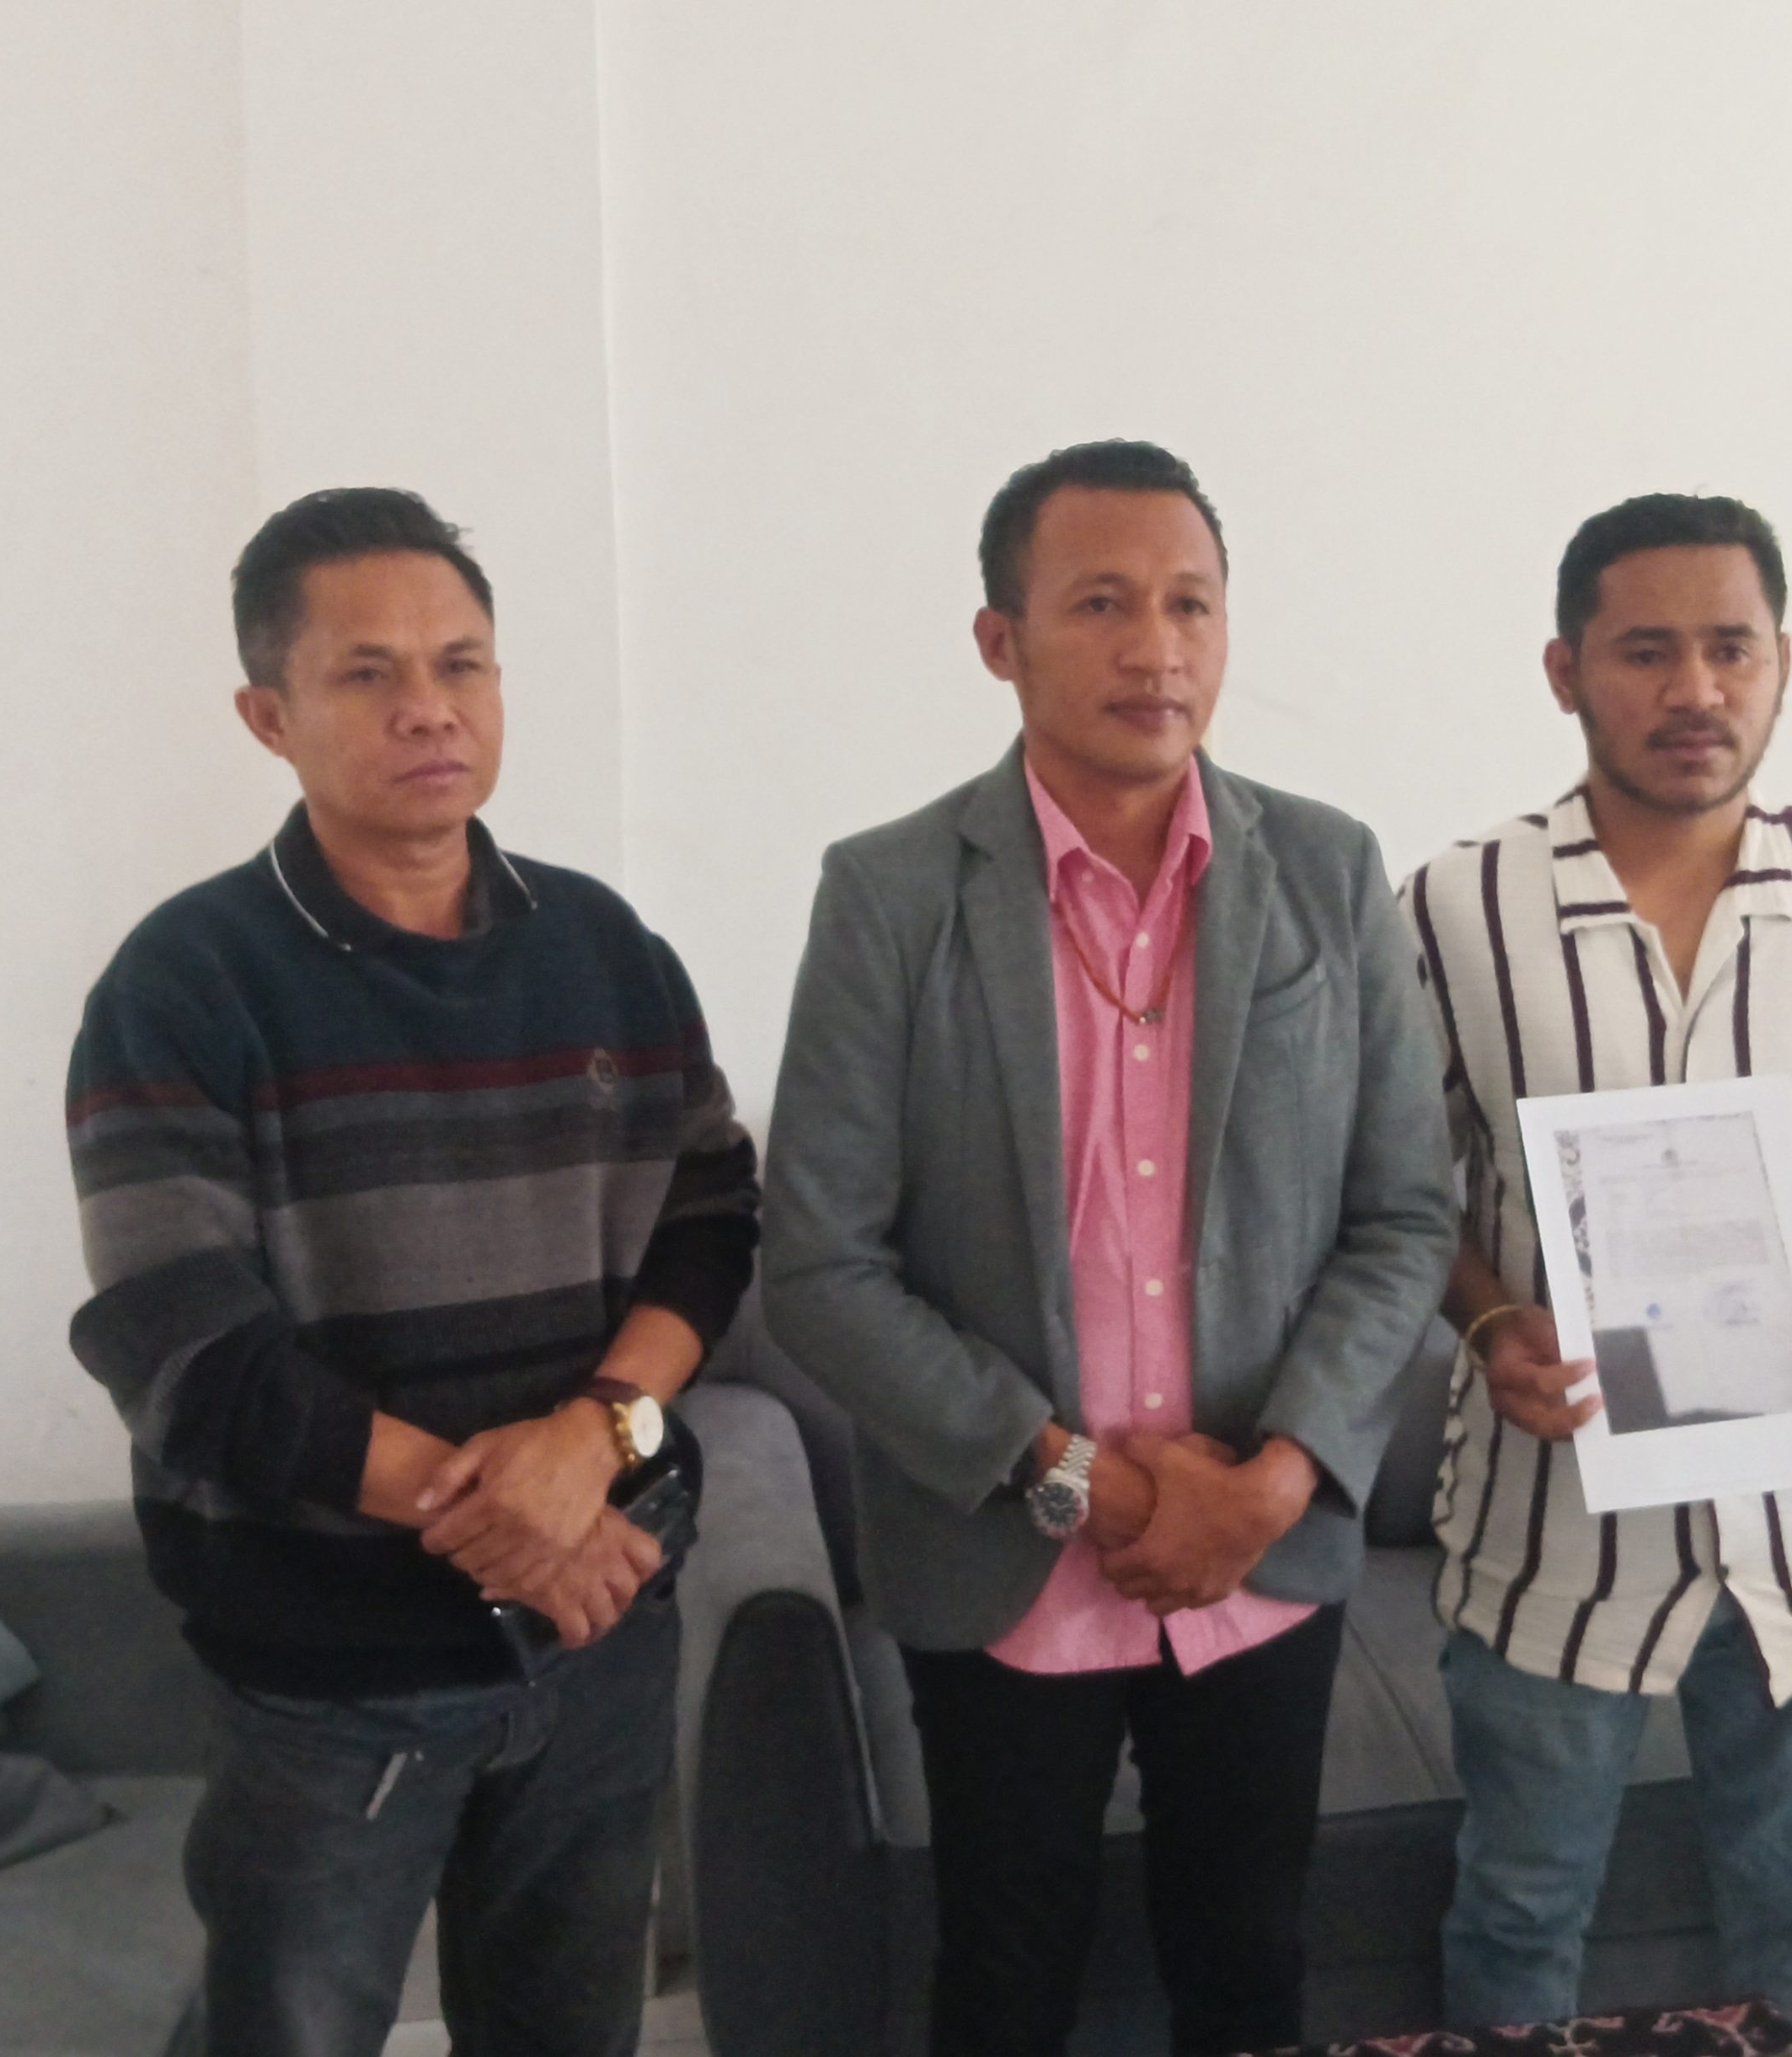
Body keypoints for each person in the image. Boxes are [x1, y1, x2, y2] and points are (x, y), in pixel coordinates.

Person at [762, 439, 1456, 2057]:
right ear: (1000, 639)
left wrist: (1278, 1477)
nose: (1157, 647)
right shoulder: (891, 894)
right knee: (1005, 1980)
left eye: (1191, 604)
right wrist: (1076, 1478)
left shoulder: (1328, 870)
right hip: (1006, 1547)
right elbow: (821, 1262)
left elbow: (1404, 1214)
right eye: (1101, 604)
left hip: (1260, 1545)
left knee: (1249, 1965)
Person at [65, 488, 758, 2057]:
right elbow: (187, 1353)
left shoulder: (606, 948)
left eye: (462, 663)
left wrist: (591, 1443)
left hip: (599, 1636)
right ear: (269, 714)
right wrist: (523, 1520)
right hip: (333, 1678)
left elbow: (711, 1219)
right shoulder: (184, 982)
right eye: (367, 672)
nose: (429, 707)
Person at [1405, 494, 1792, 2053]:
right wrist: (1491, 1319)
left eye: (1731, 647)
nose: (1695, 689)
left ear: (1783, 661)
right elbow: (1400, 1187)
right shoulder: (1460, 901)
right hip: (1555, 1521)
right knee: (1520, 1918)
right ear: (1565, 669)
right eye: (1646, 651)